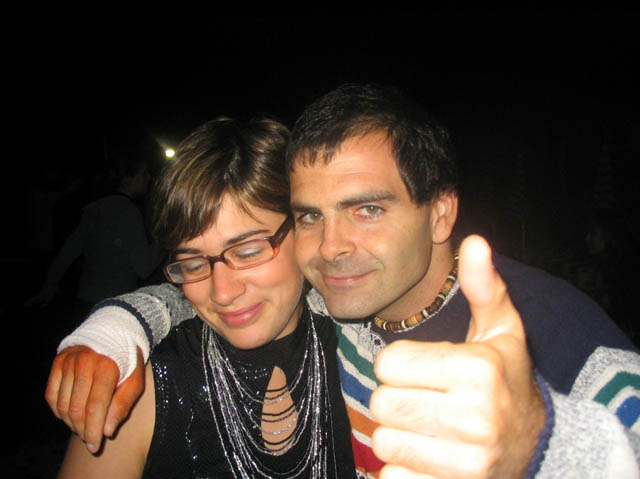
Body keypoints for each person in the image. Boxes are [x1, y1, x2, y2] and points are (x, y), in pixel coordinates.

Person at [48, 85, 640, 478]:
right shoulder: (339, 310)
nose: (331, 249)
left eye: (368, 209)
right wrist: (118, 325)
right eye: (311, 216)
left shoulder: (550, 331)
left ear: (441, 212)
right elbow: (209, 295)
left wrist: (543, 444)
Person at [57, 117, 355, 478]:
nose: (223, 292)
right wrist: (116, 323)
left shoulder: (362, 354)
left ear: (305, 228)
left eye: (247, 252)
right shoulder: (140, 389)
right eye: (193, 263)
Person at [26, 147, 162, 322]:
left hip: (85, 302)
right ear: (128, 178)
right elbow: (144, 268)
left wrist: (49, 284)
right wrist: (162, 237)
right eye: (143, 173)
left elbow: (68, 251)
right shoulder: (127, 212)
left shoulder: (95, 207)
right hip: (112, 307)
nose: (149, 178)